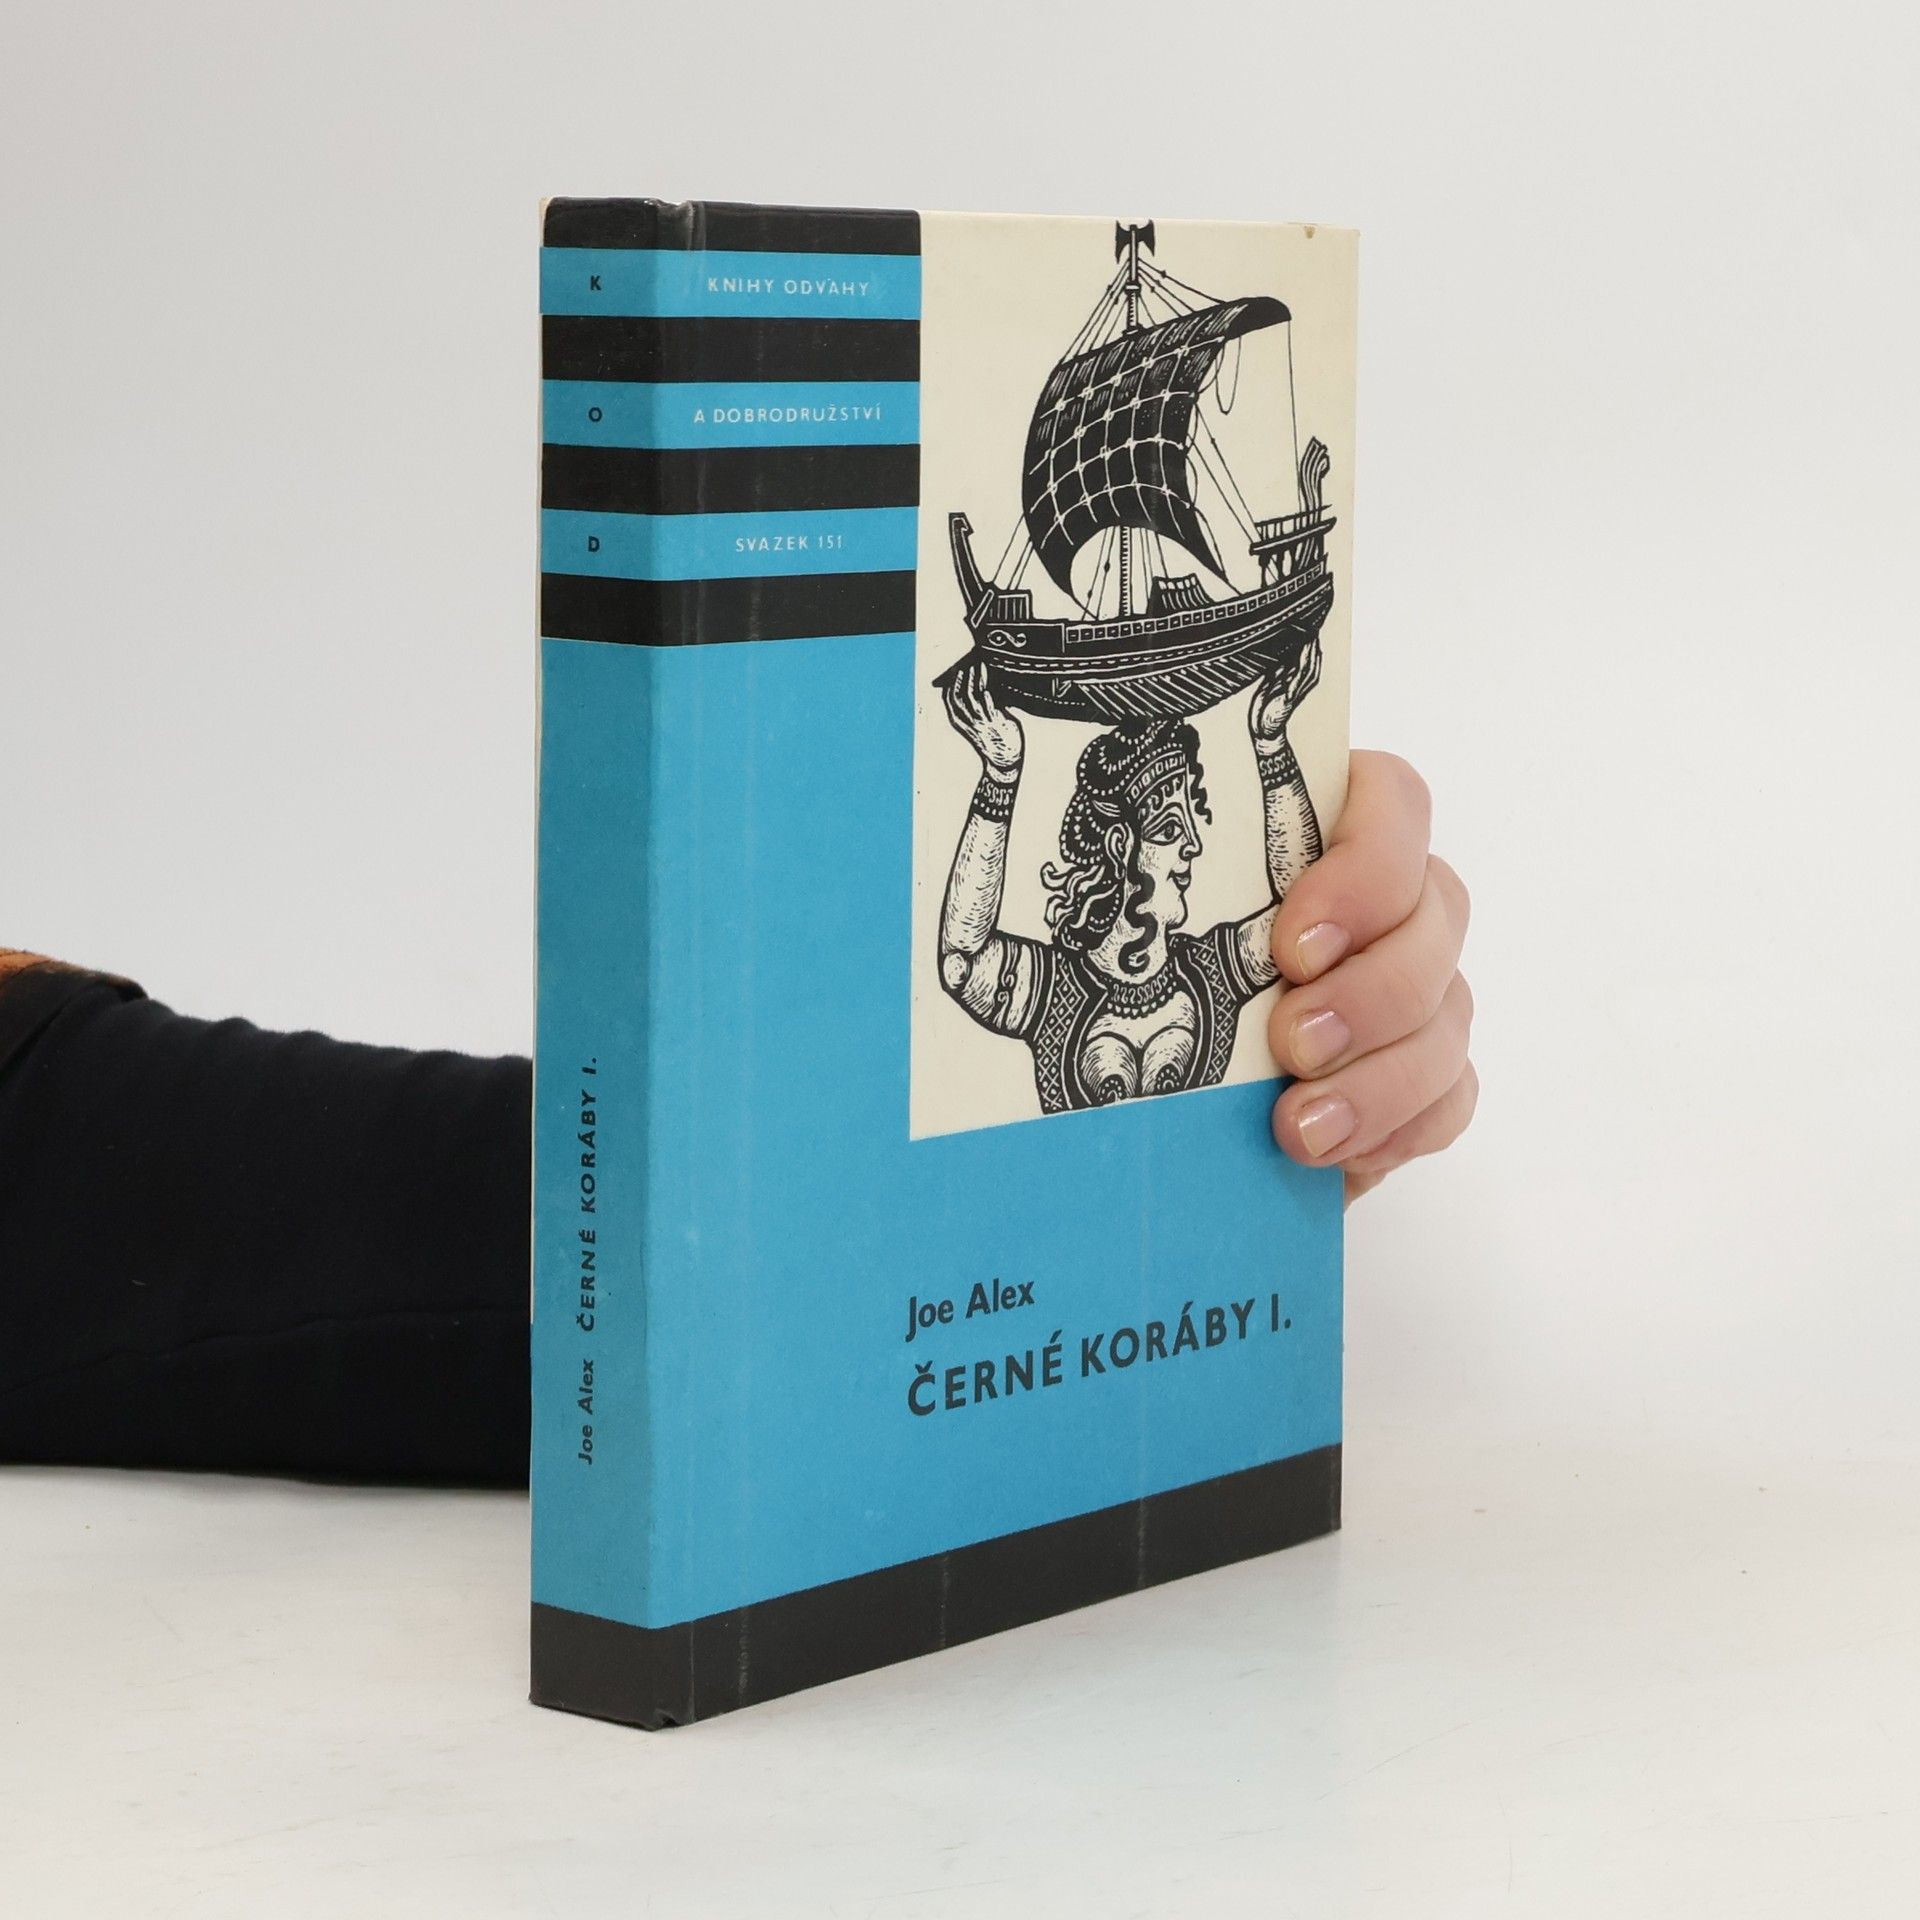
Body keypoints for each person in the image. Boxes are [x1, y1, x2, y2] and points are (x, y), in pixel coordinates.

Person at [0, 747, 1474, 1485]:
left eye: (1183, 863)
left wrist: (1214, 1152)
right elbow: (971, 961)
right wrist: (1002, 785)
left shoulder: (1206, 963)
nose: (1162, 893)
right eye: (1140, 861)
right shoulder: (1046, 973)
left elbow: (153, 1187)